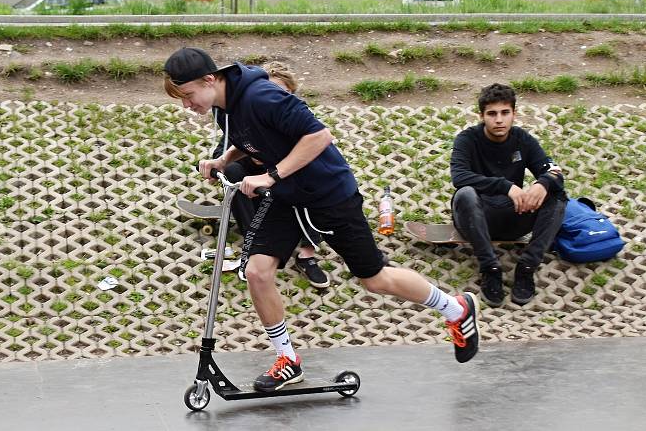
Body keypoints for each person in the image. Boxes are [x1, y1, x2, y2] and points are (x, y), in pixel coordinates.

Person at [164, 47, 481, 392]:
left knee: (375, 279)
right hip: (288, 197)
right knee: (257, 272)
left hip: (330, 195)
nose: (187, 105)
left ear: (210, 79)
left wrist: (271, 176)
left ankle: (455, 308)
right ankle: (288, 359)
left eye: (188, 95)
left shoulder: (263, 96)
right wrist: (226, 159)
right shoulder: (226, 107)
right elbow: (253, 139)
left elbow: (318, 136)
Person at [208, 61, 330, 289]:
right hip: (256, 179)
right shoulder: (244, 113)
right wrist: (231, 158)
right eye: (267, 91)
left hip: (289, 177)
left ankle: (307, 253)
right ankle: (253, 240)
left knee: (314, 179)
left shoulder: (294, 116)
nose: (273, 98)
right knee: (234, 172)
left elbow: (318, 142)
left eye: (281, 93)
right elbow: (224, 148)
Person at [450, 83, 567, 307]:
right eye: (492, 114)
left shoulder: (523, 140)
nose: (499, 120)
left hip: (514, 216)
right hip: (476, 216)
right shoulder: (467, 139)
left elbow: (555, 172)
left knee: (557, 196)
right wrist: (506, 186)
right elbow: (460, 177)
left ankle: (526, 268)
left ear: (514, 114)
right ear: (482, 116)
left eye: (505, 113)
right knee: (465, 194)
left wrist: (543, 183)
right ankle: (490, 269)